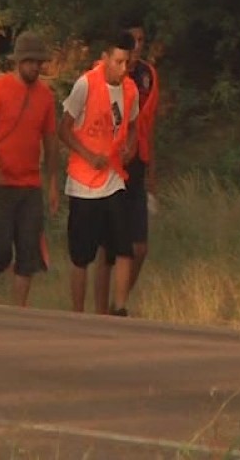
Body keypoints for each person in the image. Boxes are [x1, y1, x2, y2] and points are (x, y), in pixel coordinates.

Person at [0, 31, 60, 307]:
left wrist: (54, 183)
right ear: (18, 62)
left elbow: (50, 142)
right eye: (30, 61)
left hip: (30, 186)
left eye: (38, 62)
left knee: (28, 253)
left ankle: (18, 311)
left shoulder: (46, 96)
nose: (35, 67)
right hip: (2, 183)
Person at [59, 31, 139, 316]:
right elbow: (63, 128)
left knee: (123, 246)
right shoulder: (86, 85)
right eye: (118, 61)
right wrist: (88, 155)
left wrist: (130, 146)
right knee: (81, 255)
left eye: (127, 62)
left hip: (114, 177)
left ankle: (120, 308)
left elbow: (133, 126)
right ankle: (78, 313)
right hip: (83, 182)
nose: (123, 68)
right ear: (105, 58)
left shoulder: (131, 89)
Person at [95, 19, 160, 310]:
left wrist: (151, 169)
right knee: (108, 248)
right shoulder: (105, 73)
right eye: (132, 40)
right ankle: (100, 312)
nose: (136, 47)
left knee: (139, 247)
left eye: (141, 41)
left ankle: (118, 302)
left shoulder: (148, 76)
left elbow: (147, 125)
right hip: (109, 164)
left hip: (137, 164)